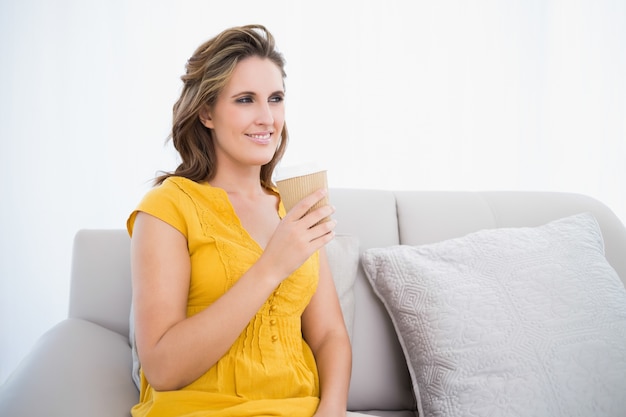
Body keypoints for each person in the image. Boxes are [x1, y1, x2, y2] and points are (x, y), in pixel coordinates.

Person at [126, 24, 352, 417]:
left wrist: (331, 412)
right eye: (246, 100)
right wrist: (271, 266)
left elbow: (331, 335)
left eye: (276, 98)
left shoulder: (291, 206)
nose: (267, 118)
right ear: (206, 112)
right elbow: (162, 368)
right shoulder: (167, 208)